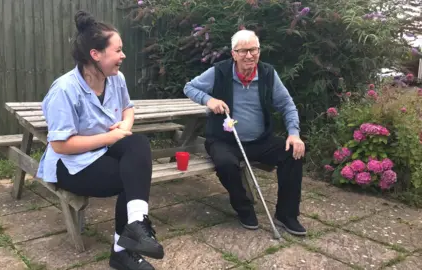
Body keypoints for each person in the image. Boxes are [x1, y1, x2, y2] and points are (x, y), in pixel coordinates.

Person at [36, 10, 163, 270]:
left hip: (103, 149)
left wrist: (125, 125)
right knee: (130, 175)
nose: (123, 56)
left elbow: (128, 108)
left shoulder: (116, 79)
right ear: (96, 54)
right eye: (118, 50)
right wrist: (111, 136)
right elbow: (61, 145)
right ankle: (122, 252)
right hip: (70, 164)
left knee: (138, 145)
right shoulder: (65, 89)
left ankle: (136, 225)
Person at [183, 29, 307, 236]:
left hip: (260, 140)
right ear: (233, 54)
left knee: (293, 153)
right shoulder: (219, 72)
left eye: (253, 50)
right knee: (225, 164)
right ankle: (243, 207)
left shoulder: (268, 74)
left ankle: (287, 214)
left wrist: (294, 133)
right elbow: (189, 87)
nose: (248, 55)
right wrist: (209, 100)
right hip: (224, 140)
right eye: (243, 51)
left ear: (259, 51)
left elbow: (287, 104)